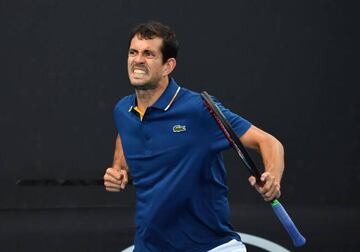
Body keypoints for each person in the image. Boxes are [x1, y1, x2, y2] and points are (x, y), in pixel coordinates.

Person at [103, 21, 284, 252]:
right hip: (149, 247)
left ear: (168, 66)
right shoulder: (123, 111)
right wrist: (119, 169)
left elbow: (268, 142)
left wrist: (273, 176)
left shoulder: (199, 110)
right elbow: (126, 134)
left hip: (211, 247)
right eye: (133, 52)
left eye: (148, 54)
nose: (137, 60)